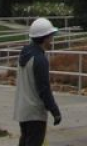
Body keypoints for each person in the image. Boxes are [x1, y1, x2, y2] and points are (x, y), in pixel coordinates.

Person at [13, 18, 62, 146]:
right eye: (51, 36)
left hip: (23, 110)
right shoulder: (40, 60)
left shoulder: (25, 54)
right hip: (35, 112)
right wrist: (55, 111)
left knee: (25, 141)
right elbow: (44, 89)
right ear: (45, 38)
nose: (52, 40)